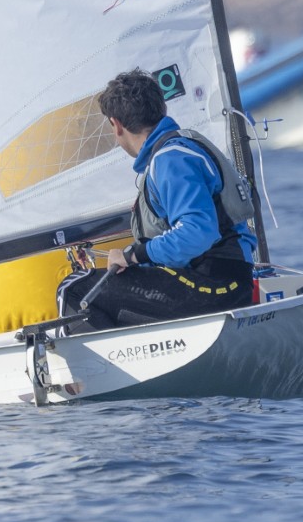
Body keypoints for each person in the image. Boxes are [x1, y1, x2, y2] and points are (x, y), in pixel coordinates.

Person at [57, 69, 258, 331]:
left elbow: (198, 232)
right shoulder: (180, 148)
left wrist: (134, 255)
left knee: (75, 287)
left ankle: (108, 369)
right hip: (225, 282)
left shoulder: (170, 160)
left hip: (216, 286)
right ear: (161, 108)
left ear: (116, 125)